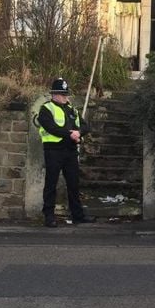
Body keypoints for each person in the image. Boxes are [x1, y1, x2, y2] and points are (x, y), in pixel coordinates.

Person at [38, 78, 96, 228]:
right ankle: (49, 216)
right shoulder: (46, 109)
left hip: (70, 151)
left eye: (66, 94)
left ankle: (78, 216)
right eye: (62, 94)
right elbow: (51, 127)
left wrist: (78, 133)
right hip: (53, 151)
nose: (65, 97)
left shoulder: (72, 109)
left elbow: (85, 126)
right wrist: (69, 134)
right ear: (54, 94)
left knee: (73, 184)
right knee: (51, 184)